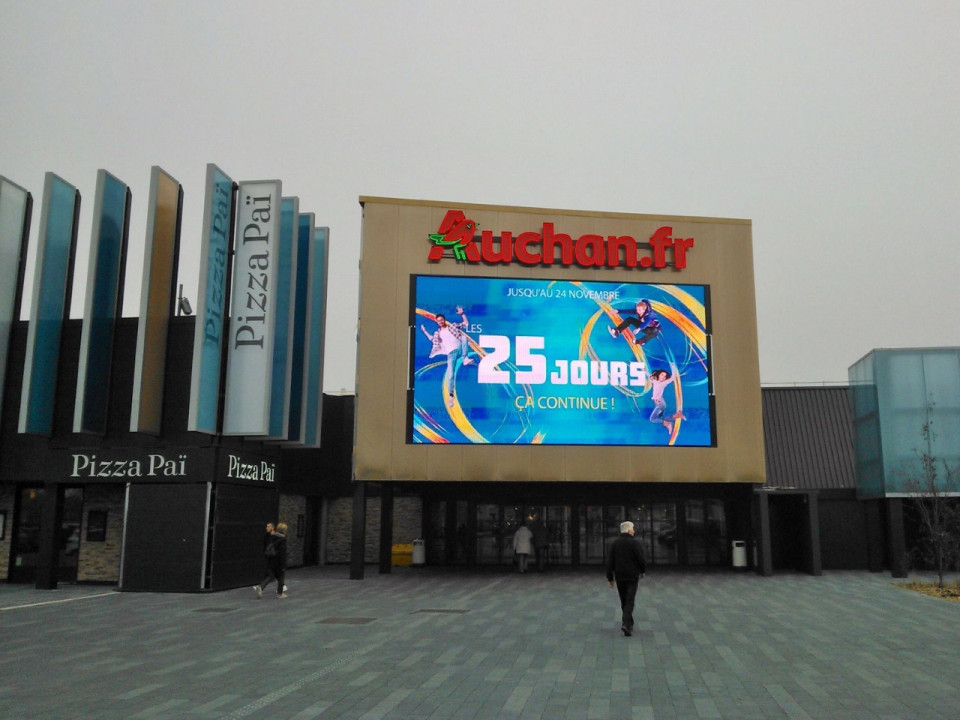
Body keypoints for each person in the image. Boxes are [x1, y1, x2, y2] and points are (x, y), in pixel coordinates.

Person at [421, 306, 473, 408]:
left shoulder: (452, 326)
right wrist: (424, 331)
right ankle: (451, 396)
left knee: (464, 337)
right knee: (450, 374)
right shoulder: (437, 333)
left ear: (444, 320)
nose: (440, 322)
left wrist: (462, 314)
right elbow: (432, 339)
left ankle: (465, 358)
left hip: (459, 349)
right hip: (451, 354)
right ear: (437, 322)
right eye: (438, 321)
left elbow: (466, 324)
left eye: (441, 320)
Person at [606, 520, 647, 636]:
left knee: (624, 599)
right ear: (629, 530)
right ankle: (626, 623)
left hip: (619, 576)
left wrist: (610, 578)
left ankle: (629, 622)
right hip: (632, 576)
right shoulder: (635, 543)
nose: (634, 531)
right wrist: (643, 570)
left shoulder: (615, 544)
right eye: (633, 528)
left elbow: (610, 562)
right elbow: (641, 559)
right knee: (630, 599)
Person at [254, 522, 288, 599]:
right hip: (278, 561)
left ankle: (261, 587)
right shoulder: (283, 539)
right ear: (284, 530)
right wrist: (283, 564)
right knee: (281, 576)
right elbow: (283, 552)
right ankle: (280, 593)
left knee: (271, 576)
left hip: (271, 560)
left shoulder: (272, 536)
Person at [648, 369, 686, 433]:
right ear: (659, 375)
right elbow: (650, 376)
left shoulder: (664, 383)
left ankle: (669, 424)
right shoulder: (655, 381)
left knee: (653, 419)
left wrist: (673, 366)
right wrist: (645, 371)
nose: (663, 377)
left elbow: (672, 377)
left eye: (664, 376)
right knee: (660, 418)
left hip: (660, 404)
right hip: (658, 403)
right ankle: (677, 415)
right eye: (662, 375)